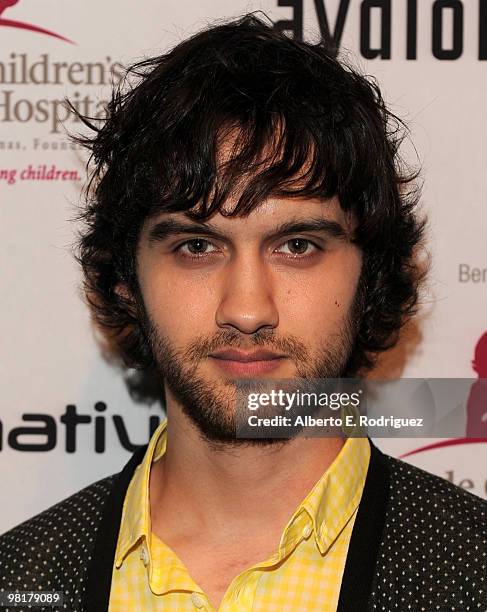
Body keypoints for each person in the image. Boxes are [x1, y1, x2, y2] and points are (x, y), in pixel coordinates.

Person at [1, 13, 486, 612]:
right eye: (197, 248)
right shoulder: (20, 579)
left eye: (298, 246)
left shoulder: (473, 567)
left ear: (371, 276)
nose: (249, 310)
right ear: (128, 280)